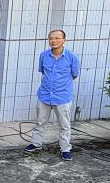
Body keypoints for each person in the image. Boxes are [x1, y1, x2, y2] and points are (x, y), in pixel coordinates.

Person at [24, 29, 80, 161]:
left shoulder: (72, 57)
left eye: (57, 38)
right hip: (44, 95)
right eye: (51, 38)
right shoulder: (43, 55)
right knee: (40, 122)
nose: (53, 41)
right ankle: (36, 144)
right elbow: (43, 72)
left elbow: (75, 74)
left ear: (64, 40)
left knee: (64, 125)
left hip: (62, 96)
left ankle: (65, 149)